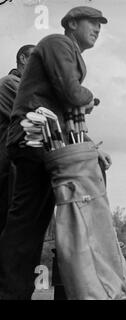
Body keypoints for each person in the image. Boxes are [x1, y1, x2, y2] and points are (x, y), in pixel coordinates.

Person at [0, 6, 110, 300]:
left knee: (62, 216)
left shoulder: (71, 54)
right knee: (32, 221)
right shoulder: (58, 43)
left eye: (101, 24)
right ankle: (12, 293)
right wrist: (90, 98)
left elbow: (64, 108)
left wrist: (88, 145)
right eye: (92, 22)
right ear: (71, 23)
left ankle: (63, 289)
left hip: (50, 142)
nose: (98, 28)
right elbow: (71, 94)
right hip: (34, 139)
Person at [0, 44, 35, 235]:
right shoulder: (10, 84)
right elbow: (36, 114)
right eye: (35, 59)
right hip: (7, 167)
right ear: (23, 58)